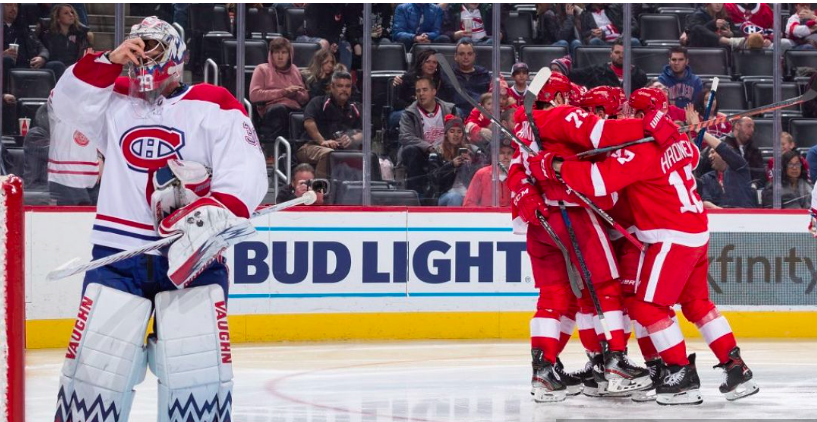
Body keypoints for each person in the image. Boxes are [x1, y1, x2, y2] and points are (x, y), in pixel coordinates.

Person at [50, 17, 268, 421]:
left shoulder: (214, 102)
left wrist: (210, 211)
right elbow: (65, 101)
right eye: (137, 48)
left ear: (176, 55)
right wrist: (109, 60)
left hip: (192, 257)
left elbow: (246, 172)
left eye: (152, 48)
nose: (143, 58)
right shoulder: (112, 99)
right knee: (94, 379)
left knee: (196, 378)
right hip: (119, 254)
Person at [539, 89, 758, 405]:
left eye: (631, 112)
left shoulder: (642, 149)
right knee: (697, 303)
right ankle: (735, 365)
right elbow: (694, 157)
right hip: (696, 232)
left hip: (670, 236)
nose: (625, 117)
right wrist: (692, 132)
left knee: (646, 306)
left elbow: (599, 181)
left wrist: (557, 166)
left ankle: (680, 373)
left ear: (642, 116)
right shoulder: (678, 141)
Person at [508, 72, 653, 402]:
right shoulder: (559, 114)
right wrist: (648, 127)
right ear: (558, 98)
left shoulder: (522, 126)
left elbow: (518, 172)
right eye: (569, 99)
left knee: (553, 298)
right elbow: (602, 132)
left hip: (540, 222)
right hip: (573, 214)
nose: (574, 105)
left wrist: (523, 193)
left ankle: (544, 372)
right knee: (605, 287)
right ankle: (615, 361)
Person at [398, 76, 456, 199]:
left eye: (425, 90)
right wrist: (429, 147)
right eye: (418, 91)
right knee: (410, 150)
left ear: (434, 91)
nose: (421, 94)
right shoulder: (409, 113)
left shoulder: (450, 109)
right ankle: (417, 195)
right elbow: (405, 137)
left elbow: (459, 132)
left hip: (446, 151)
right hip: (422, 153)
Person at [298, 71, 362, 179]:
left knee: (367, 155)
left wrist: (351, 139)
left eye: (347, 86)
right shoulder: (318, 102)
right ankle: (321, 191)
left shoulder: (354, 107)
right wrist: (322, 141)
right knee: (329, 154)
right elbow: (308, 123)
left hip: (340, 149)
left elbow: (364, 131)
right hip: (310, 146)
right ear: (332, 87)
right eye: (340, 86)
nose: (344, 89)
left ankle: (358, 193)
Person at [249, 37, 309, 151]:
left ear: (289, 55)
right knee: (279, 110)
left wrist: (295, 94)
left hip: (294, 109)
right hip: (272, 109)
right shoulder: (262, 69)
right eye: (276, 52)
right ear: (271, 54)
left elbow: (304, 97)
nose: (280, 56)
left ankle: (300, 152)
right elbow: (254, 95)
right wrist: (283, 92)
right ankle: (274, 152)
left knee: (309, 114)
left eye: (284, 52)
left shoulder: (294, 69)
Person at [3, 3, 65, 83]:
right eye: (8, 5)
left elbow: (42, 48)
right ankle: (4, 94)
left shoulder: (23, 27)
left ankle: (56, 95)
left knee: (57, 65)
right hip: (10, 65)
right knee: (6, 60)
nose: (13, 9)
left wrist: (42, 58)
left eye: (16, 6)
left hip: (29, 64)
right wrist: (3, 54)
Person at [429, 114, 483, 205]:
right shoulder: (437, 152)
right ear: (446, 134)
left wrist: (470, 165)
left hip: (468, 193)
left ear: (463, 134)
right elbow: (434, 179)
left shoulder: (473, 151)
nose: (456, 135)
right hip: (444, 194)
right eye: (452, 131)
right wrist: (451, 165)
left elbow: (480, 178)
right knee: (456, 197)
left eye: (459, 132)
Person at [697, 129, 757, 209]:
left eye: (712, 152)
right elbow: (705, 202)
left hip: (744, 217)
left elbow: (723, 149)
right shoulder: (706, 178)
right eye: (709, 154)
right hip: (721, 219)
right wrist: (724, 213)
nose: (709, 156)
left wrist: (700, 131)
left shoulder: (740, 167)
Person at [568, 37, 647, 90]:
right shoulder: (597, 71)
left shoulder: (639, 75)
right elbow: (572, 74)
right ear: (611, 54)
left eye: (624, 53)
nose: (621, 56)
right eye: (617, 52)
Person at [439, 38, 491, 115]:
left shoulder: (484, 74)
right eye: (462, 54)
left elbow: (489, 99)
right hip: (455, 114)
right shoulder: (447, 74)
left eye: (469, 54)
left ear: (474, 56)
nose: (466, 57)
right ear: (455, 56)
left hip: (480, 113)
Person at [296, 4, 352, 69]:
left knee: (346, 46)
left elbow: (342, 28)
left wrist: (334, 43)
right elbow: (312, 30)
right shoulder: (314, 5)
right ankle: (319, 75)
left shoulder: (341, 6)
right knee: (324, 43)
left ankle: (342, 76)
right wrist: (330, 43)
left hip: (330, 38)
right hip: (307, 36)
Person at [39, 4, 94, 69]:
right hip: (55, 66)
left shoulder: (80, 34)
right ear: (58, 18)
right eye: (66, 13)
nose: (71, 15)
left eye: (72, 12)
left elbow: (86, 55)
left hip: (72, 67)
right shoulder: (47, 35)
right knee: (58, 65)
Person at [463, 136, 512, 207]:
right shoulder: (482, 174)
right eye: (502, 153)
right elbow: (469, 203)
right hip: (486, 217)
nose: (506, 156)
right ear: (495, 155)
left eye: (509, 153)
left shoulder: (519, 176)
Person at [683, 3, 748, 49]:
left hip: (719, 48)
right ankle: (730, 41)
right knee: (696, 28)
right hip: (700, 47)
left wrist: (731, 33)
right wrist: (713, 24)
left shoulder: (725, 16)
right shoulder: (698, 15)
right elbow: (694, 34)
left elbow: (739, 33)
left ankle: (729, 41)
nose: (718, 4)